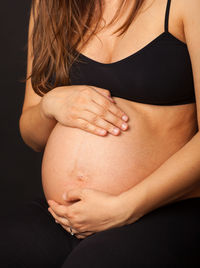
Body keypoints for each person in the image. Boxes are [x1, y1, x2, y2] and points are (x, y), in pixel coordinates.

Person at [1, 0, 200, 267]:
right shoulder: (52, 5)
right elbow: (32, 135)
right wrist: (50, 105)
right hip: (65, 216)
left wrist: (125, 208)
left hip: (162, 209)